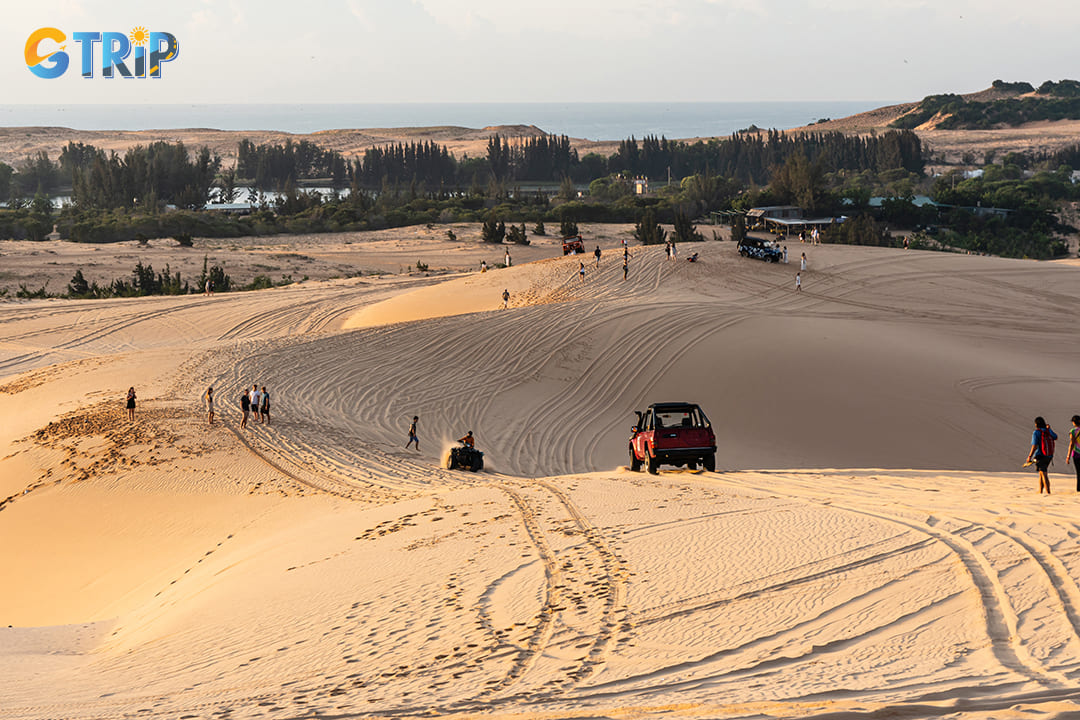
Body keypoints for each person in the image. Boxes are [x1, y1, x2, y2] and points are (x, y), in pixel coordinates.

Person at [1026, 416, 1058, 494]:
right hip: (1049, 456)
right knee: (1041, 473)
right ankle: (1040, 491)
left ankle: (1048, 492)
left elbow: (1034, 446)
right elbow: (1055, 437)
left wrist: (1030, 456)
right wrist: (1049, 429)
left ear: (1036, 424)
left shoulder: (1036, 432)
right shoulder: (1048, 430)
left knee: (1044, 474)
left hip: (1040, 455)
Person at [1067, 415, 1080, 492]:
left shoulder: (1073, 431)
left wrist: (1068, 455)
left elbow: (1072, 443)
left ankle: (1079, 489)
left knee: (1078, 472)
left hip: (1076, 454)